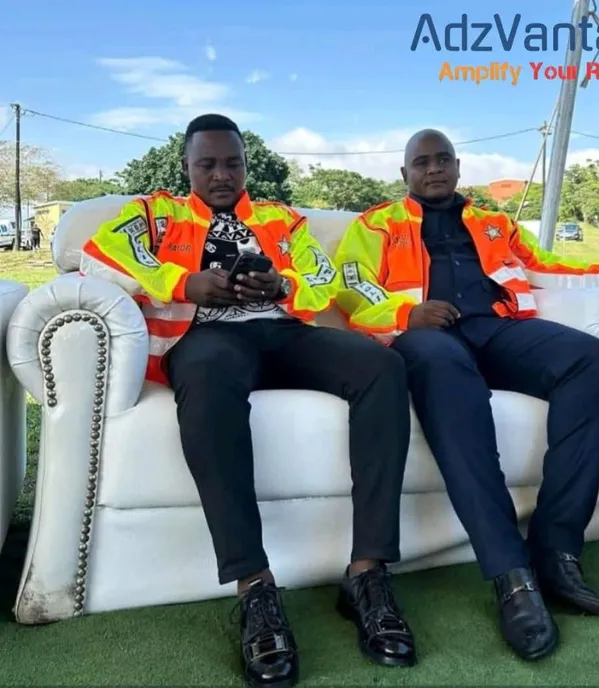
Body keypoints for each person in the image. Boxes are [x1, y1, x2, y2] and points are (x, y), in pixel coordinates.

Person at [333, 128, 599, 662]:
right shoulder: (376, 224)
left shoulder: (494, 223)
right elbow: (350, 282)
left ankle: (556, 550)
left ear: (458, 167)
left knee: (591, 359)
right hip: (428, 339)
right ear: (404, 173)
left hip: (497, 330)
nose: (434, 169)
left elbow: (554, 270)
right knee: (450, 379)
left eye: (443, 160)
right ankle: (511, 574)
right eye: (422, 162)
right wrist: (407, 314)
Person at [80, 114, 416, 685]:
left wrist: (281, 285)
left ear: (245, 166)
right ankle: (255, 586)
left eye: (232, 163)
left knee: (382, 365)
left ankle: (367, 572)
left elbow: (321, 277)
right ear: (187, 166)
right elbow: (101, 254)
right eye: (207, 164)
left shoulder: (281, 219)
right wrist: (185, 282)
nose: (221, 174)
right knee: (209, 376)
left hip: (281, 331)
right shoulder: (156, 214)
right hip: (206, 339)